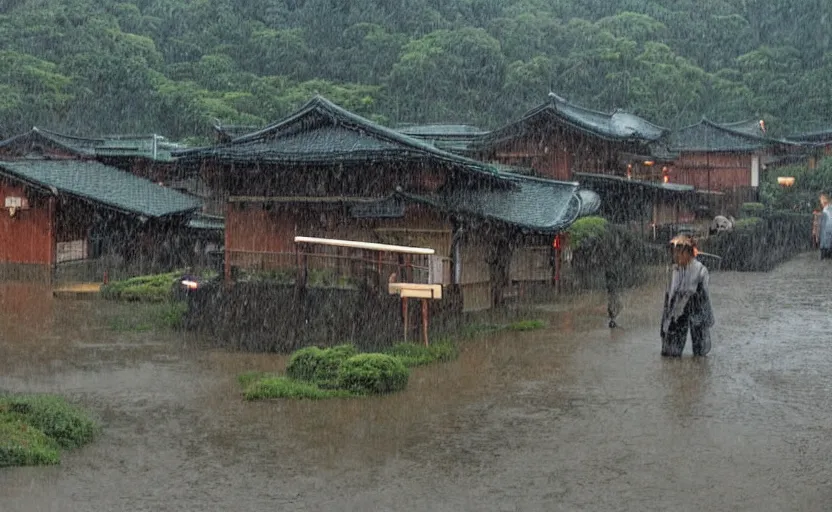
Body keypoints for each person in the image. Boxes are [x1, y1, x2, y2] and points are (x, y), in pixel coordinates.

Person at [660, 235, 714, 357]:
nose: (676, 256)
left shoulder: (700, 270)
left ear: (688, 253)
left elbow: (705, 297)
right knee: (671, 353)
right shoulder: (673, 270)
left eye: (679, 253)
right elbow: (669, 296)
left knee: (700, 352)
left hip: (696, 307)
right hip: (677, 310)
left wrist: (706, 319)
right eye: (674, 253)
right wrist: (665, 321)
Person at [819, 193, 832, 260]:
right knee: (826, 242)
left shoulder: (827, 208)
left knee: (826, 242)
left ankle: (825, 255)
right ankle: (825, 255)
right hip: (827, 228)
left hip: (827, 228)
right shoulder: (826, 209)